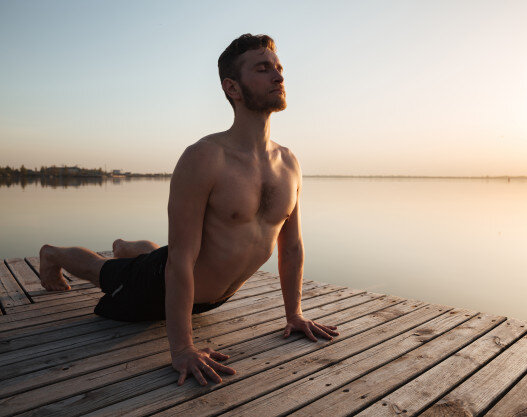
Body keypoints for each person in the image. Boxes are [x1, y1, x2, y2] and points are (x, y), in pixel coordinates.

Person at [38, 33, 339, 387]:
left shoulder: (289, 162)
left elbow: (291, 248)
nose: (278, 76)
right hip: (160, 287)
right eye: (263, 69)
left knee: (158, 255)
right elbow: (180, 260)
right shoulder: (205, 158)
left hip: (213, 298)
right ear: (233, 88)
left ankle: (128, 249)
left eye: (278, 68)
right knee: (103, 271)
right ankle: (53, 254)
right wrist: (182, 348)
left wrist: (295, 314)